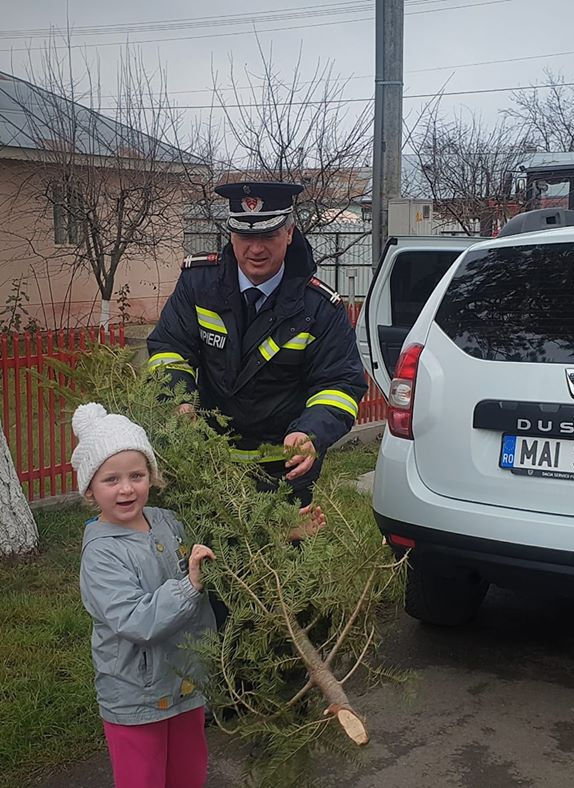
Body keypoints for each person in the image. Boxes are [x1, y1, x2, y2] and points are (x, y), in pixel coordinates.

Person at [146, 181, 367, 517]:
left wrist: (310, 432)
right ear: (231, 236)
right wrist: (179, 401)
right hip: (206, 464)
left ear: (290, 233)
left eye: (268, 236)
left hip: (284, 471)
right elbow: (169, 348)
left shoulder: (320, 307)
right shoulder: (198, 284)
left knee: (283, 565)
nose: (256, 249)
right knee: (203, 563)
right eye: (245, 237)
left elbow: (339, 385)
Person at [72, 402, 217, 788]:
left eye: (137, 474)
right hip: (135, 696)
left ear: (151, 476)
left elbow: (219, 553)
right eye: (111, 479)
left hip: (186, 681)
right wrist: (189, 587)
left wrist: (283, 532)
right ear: (89, 489)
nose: (126, 488)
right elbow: (135, 619)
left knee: (188, 774)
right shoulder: (101, 553)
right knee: (143, 779)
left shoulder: (167, 521)